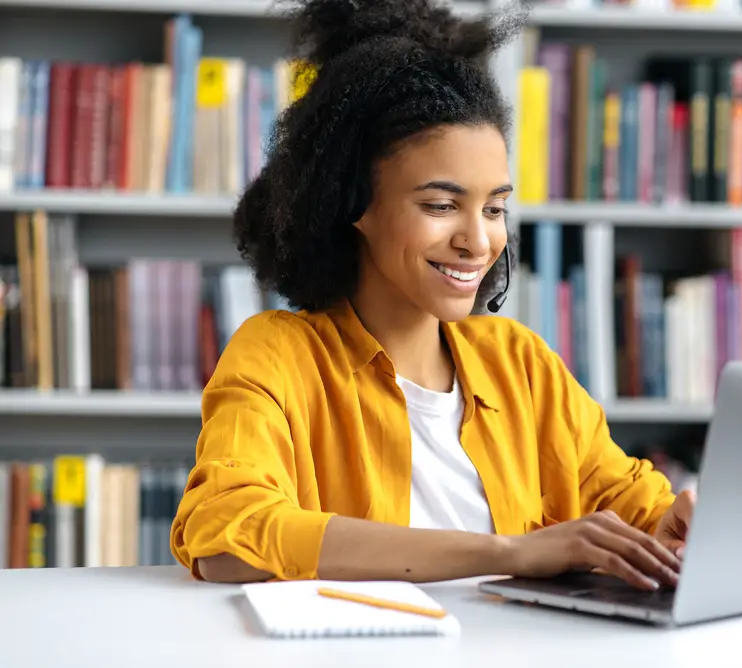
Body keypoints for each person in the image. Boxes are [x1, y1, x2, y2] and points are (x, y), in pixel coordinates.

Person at [169, 0, 696, 592]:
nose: (478, 241)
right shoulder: (279, 355)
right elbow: (226, 537)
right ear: (353, 206)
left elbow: (628, 501)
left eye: (494, 207)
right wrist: (508, 553)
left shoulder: (520, 363)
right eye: (441, 206)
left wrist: (670, 528)